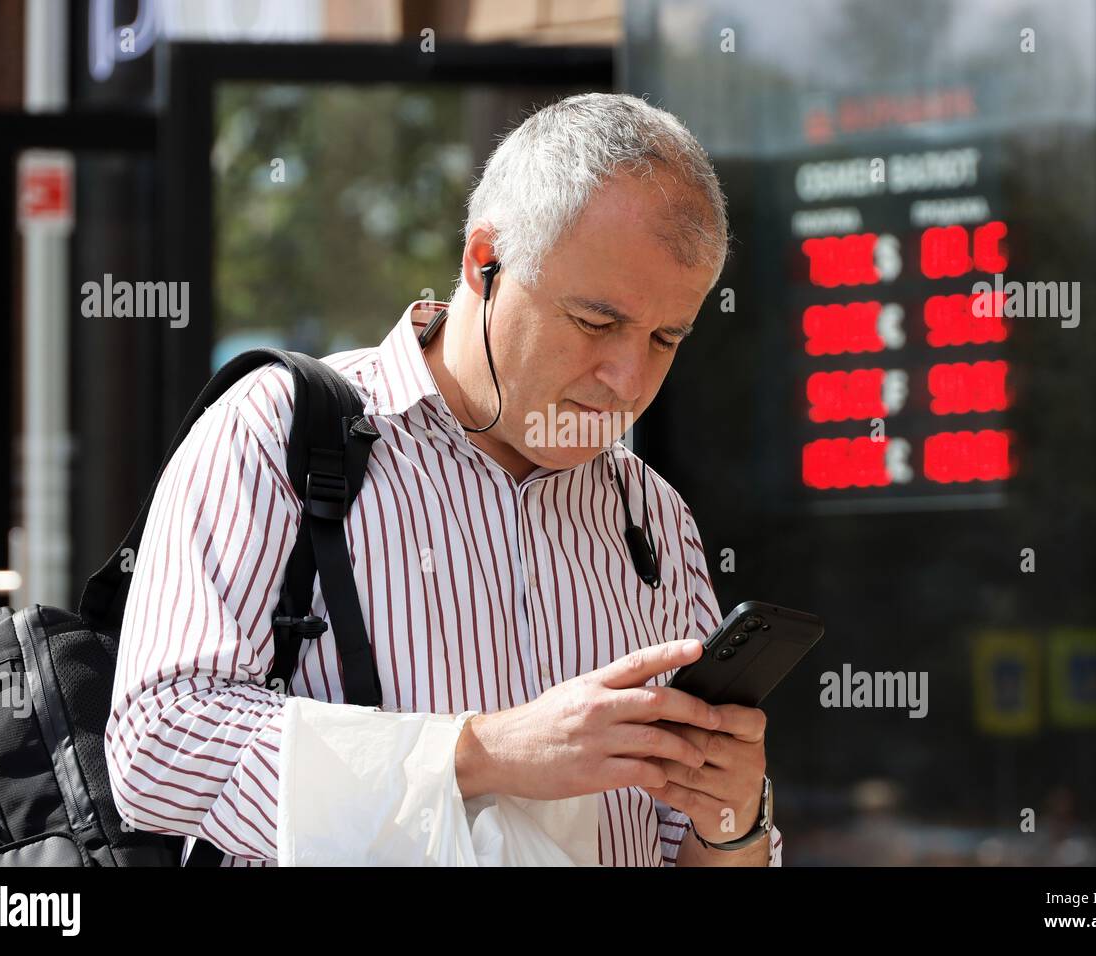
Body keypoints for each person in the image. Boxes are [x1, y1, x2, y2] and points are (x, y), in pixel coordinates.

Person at [105, 92, 781, 867]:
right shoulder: (279, 431)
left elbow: (690, 850)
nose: (628, 379)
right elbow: (157, 747)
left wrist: (731, 823)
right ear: (483, 261)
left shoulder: (651, 517)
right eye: (597, 322)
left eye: (667, 338)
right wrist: (482, 752)